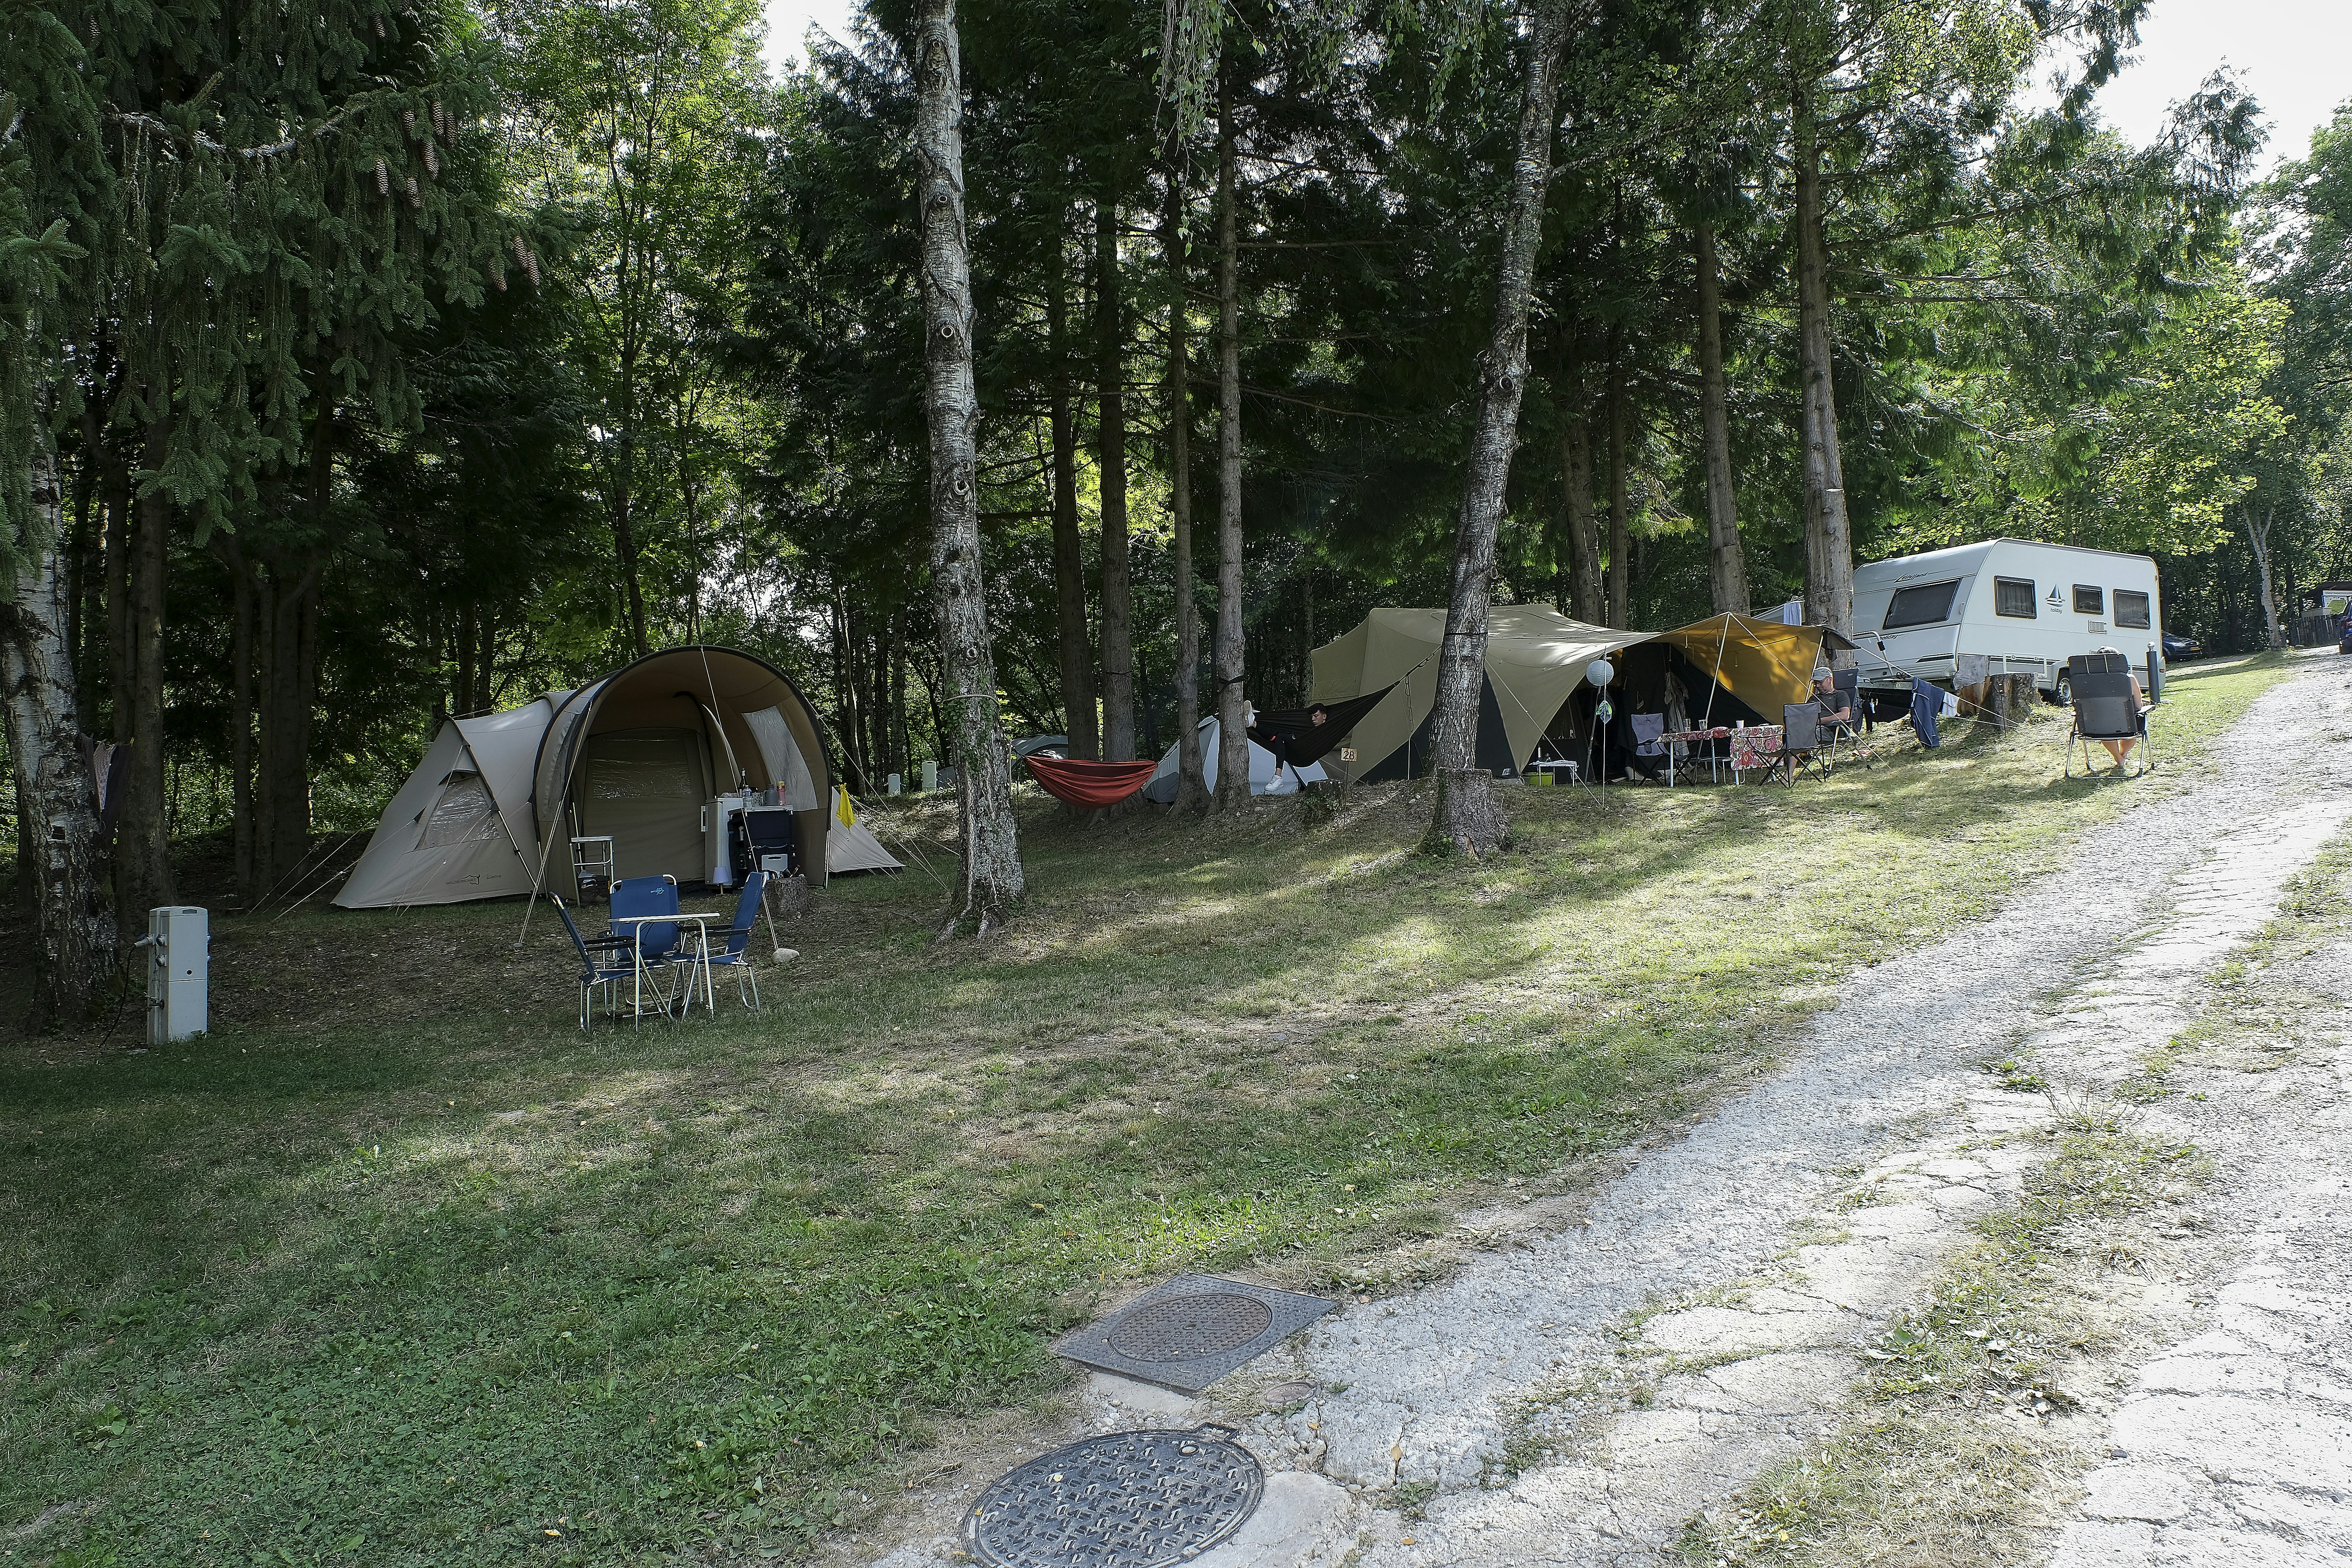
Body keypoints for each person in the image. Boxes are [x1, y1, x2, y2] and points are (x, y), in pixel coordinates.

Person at [2094, 646, 2147, 768]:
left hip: (2097, 727)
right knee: (2136, 720)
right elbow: (2138, 707)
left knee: (2105, 727)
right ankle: (2123, 754)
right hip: (2127, 725)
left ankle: (2119, 758)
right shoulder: (2130, 679)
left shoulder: (2084, 682)